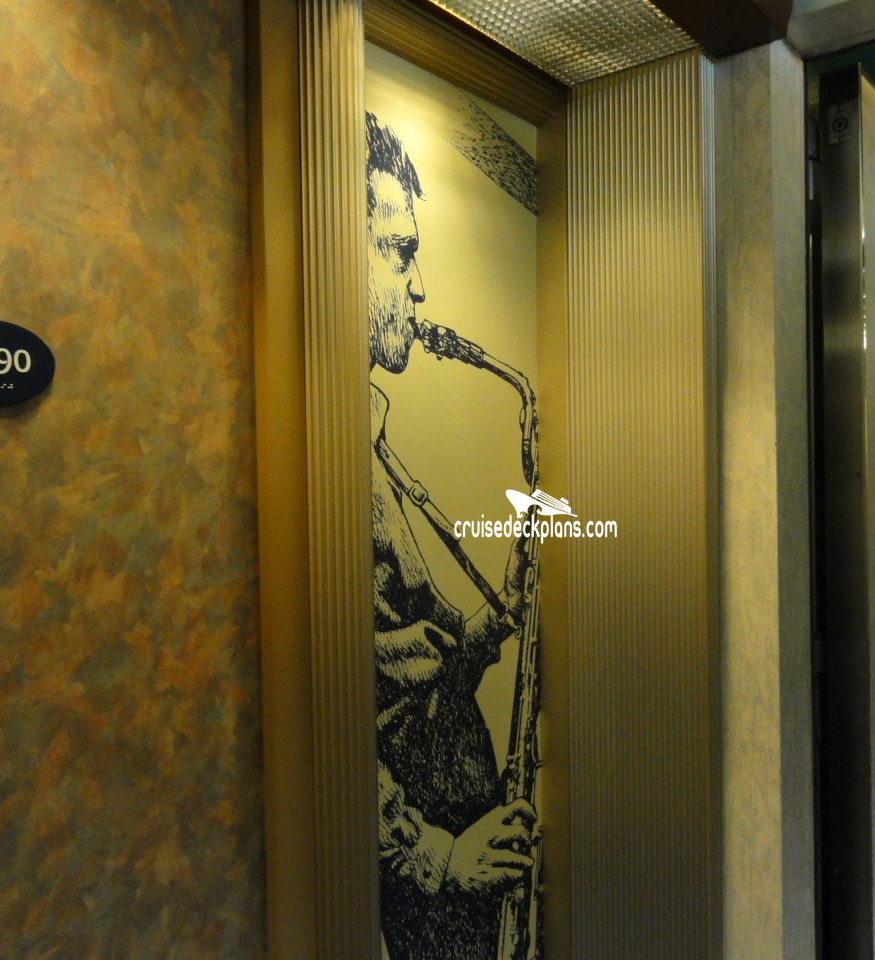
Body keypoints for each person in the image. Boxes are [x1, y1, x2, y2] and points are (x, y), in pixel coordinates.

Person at [367, 111, 537, 960]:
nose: (422, 287)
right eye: (401, 251)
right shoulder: (341, 469)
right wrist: (439, 857)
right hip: (431, 904)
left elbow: (404, 667)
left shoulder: (376, 455)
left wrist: (495, 621)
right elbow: (344, 713)